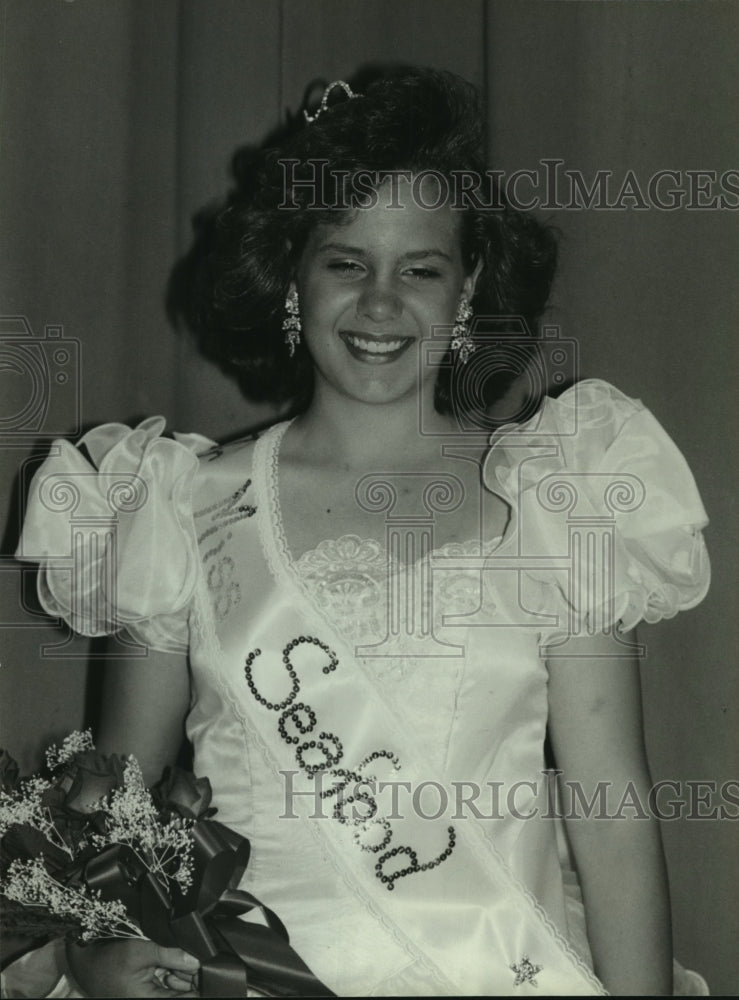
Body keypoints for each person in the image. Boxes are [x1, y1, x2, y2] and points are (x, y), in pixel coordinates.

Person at [7, 69, 710, 997]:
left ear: (468, 293)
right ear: (291, 277)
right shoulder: (177, 504)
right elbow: (119, 810)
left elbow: (610, 811)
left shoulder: (555, 498)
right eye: (346, 262)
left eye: (420, 269)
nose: (381, 304)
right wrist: (97, 958)